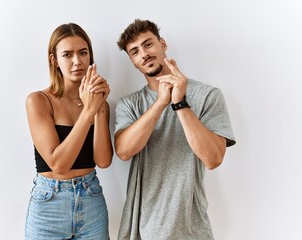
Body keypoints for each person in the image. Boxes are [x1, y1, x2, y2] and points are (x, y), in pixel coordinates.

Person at [114, 19, 236, 240]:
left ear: (163, 44)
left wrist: (180, 104)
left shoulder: (208, 95)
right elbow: (123, 151)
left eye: (148, 44)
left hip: (190, 228)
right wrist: (161, 102)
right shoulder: (129, 104)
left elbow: (213, 158)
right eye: (135, 51)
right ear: (133, 61)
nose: (144, 54)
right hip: (143, 227)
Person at [24, 23, 113, 240]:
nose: (77, 61)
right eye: (67, 54)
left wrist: (99, 107)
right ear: (54, 60)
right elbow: (59, 165)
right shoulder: (38, 101)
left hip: (91, 199)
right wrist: (88, 112)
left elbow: (102, 161)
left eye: (83, 53)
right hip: (49, 205)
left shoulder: (99, 104)